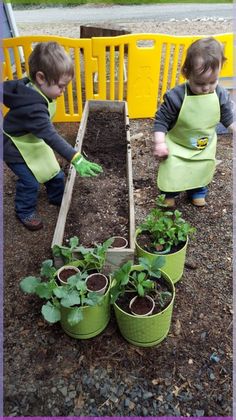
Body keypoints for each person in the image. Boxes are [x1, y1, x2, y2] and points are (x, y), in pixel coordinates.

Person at [3, 41, 103, 231]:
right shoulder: (32, 107)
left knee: (54, 171)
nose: (63, 91)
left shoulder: (35, 86)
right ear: (40, 78)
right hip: (16, 148)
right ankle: (24, 210)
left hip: (33, 139)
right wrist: (76, 157)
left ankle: (58, 197)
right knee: (30, 181)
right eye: (61, 86)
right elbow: (51, 135)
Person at [153, 37, 235, 207]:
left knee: (202, 168)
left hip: (203, 145)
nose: (206, 88)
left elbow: (228, 117)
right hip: (178, 144)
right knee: (173, 168)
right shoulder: (176, 96)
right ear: (186, 73)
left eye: (212, 82)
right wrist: (160, 142)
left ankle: (197, 190)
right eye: (200, 83)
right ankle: (170, 193)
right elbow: (161, 120)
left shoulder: (219, 94)